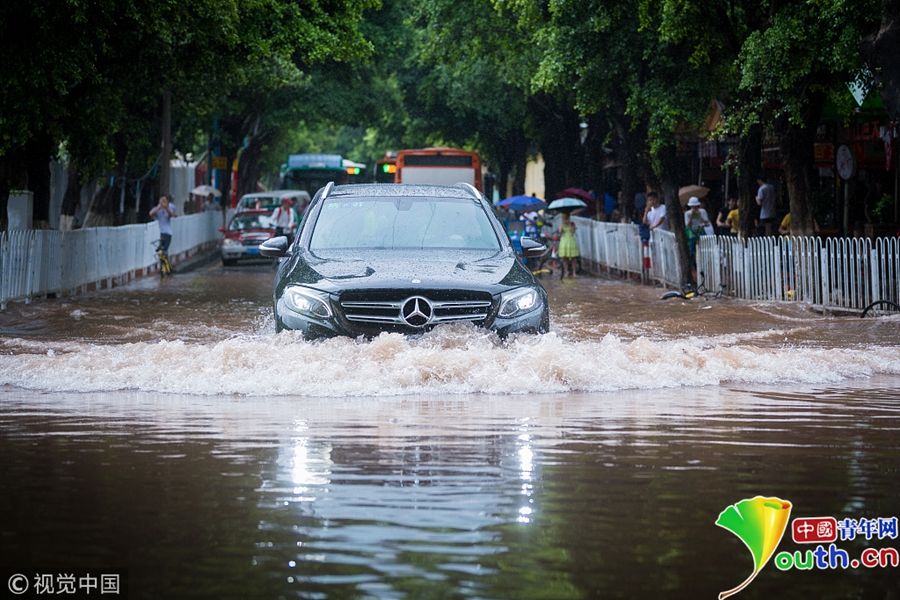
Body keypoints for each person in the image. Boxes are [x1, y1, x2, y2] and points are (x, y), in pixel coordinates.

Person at [557, 212, 580, 278]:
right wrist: (561, 227)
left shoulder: (572, 224)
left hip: (571, 241)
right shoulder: (561, 224)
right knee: (565, 258)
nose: (565, 219)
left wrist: (571, 225)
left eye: (566, 218)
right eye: (564, 218)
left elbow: (573, 232)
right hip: (564, 241)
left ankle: (574, 272)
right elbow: (560, 232)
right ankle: (566, 271)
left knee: (573, 258)